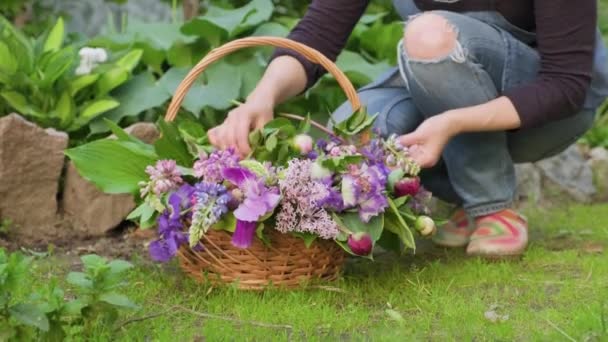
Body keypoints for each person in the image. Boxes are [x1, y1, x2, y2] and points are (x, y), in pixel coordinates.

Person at [207, 0, 608, 259]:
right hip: (449, 72)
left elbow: (565, 84)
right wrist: (262, 97)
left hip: (552, 105)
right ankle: (462, 199)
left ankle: (492, 207)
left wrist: (453, 121)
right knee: (351, 136)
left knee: (428, 35)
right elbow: (316, 38)